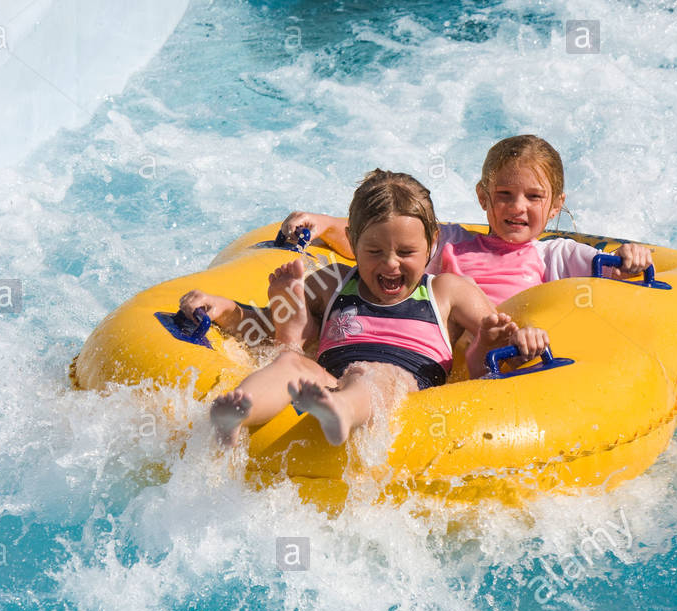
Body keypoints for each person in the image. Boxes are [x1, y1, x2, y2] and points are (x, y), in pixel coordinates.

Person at [178, 170, 549, 448]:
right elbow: (262, 327)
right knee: (289, 363)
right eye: (374, 252)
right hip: (329, 377)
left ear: (432, 243)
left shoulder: (448, 291)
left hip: (404, 384)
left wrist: (520, 338)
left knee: (371, 374)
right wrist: (222, 309)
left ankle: (341, 411)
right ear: (353, 242)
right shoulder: (333, 281)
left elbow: (499, 336)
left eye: (405, 253)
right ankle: (240, 411)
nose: (390, 264)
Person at [279, 134, 653, 305]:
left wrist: (631, 255)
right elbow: (383, 241)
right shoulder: (453, 241)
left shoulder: (554, 255)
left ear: (555, 205)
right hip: (438, 345)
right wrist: (325, 224)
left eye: (534, 197)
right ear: (483, 198)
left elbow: (614, 271)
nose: (517, 207)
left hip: (504, 348)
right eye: (504, 195)